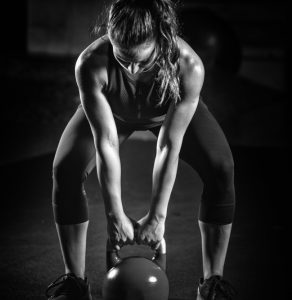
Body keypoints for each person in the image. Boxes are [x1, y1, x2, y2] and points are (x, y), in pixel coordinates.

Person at [45, 0, 236, 299]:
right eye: (123, 61)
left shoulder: (188, 65)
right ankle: (74, 281)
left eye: (142, 63)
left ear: (162, 38)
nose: (132, 69)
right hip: (114, 115)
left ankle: (212, 283)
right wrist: (114, 215)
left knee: (221, 167)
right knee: (64, 169)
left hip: (166, 115)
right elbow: (106, 143)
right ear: (110, 38)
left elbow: (169, 146)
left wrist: (157, 218)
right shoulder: (90, 63)